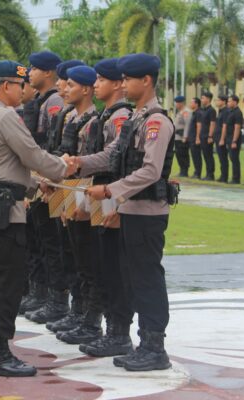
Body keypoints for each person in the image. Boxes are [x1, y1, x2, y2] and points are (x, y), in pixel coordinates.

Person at [71, 53, 175, 372]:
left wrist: (109, 191)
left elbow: (151, 171)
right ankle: (143, 344)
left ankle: (154, 347)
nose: (124, 84)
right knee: (133, 277)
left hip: (147, 212)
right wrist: (79, 163)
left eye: (129, 79)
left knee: (147, 280)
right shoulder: (136, 119)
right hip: (132, 210)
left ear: (146, 80)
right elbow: (112, 154)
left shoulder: (156, 121)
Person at [0, 60, 72, 377]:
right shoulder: (6, 116)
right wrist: (63, 167)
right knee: (6, 284)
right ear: (7, 86)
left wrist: (31, 183)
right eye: (19, 84)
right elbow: (31, 155)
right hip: (3, 212)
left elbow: (2, 165)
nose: (23, 89)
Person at [78, 57, 134, 358]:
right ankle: (112, 331)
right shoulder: (109, 115)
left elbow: (118, 163)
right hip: (102, 194)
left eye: (100, 79)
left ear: (116, 83)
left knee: (114, 268)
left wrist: (118, 204)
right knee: (102, 264)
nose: (95, 84)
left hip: (113, 195)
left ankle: (119, 334)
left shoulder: (121, 116)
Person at [54, 65, 102, 345]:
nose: (65, 89)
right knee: (73, 257)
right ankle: (79, 313)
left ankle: (90, 320)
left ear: (85, 89)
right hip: (70, 188)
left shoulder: (94, 120)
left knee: (88, 260)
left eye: (71, 85)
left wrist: (82, 202)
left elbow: (92, 165)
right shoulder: (74, 118)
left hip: (86, 192)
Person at [24, 51, 71, 325]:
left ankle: (56, 299)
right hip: (41, 178)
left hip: (49, 180)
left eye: (35, 68)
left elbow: (50, 146)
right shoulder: (42, 101)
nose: (30, 73)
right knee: (40, 240)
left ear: (48, 73)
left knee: (51, 243)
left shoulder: (53, 102)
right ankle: (42, 292)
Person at [223, 95, 243, 184]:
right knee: (231, 158)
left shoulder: (238, 112)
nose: (228, 103)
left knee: (234, 159)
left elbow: (237, 127)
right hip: (229, 137)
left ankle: (236, 178)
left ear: (235, 102)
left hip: (234, 139)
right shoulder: (230, 112)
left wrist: (234, 141)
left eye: (230, 101)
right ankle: (234, 177)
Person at [199, 91, 216, 180]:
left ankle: (210, 174)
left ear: (208, 99)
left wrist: (210, 136)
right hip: (202, 135)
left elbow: (212, 123)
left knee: (209, 156)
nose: (202, 100)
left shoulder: (211, 110)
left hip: (207, 136)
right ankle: (207, 173)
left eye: (203, 98)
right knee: (205, 155)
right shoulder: (203, 110)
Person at [173, 96, 191, 177]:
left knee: (183, 154)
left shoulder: (186, 112)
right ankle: (181, 170)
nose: (176, 104)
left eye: (177, 103)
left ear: (181, 103)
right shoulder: (180, 112)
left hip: (182, 137)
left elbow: (187, 125)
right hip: (177, 136)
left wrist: (185, 136)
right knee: (178, 154)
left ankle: (185, 171)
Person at [214, 95, 230, 182]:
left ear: (224, 101)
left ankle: (225, 177)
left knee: (223, 158)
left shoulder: (225, 112)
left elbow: (224, 126)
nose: (216, 102)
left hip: (221, 137)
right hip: (217, 136)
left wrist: (222, 139)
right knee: (221, 158)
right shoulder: (220, 111)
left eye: (218, 100)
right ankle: (222, 175)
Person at [187, 97, 202, 178]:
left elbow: (199, 126)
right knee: (194, 155)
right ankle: (196, 171)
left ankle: (198, 173)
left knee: (197, 156)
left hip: (195, 138)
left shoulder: (199, 113)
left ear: (196, 104)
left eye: (192, 102)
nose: (190, 104)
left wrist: (197, 137)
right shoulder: (194, 113)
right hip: (192, 137)